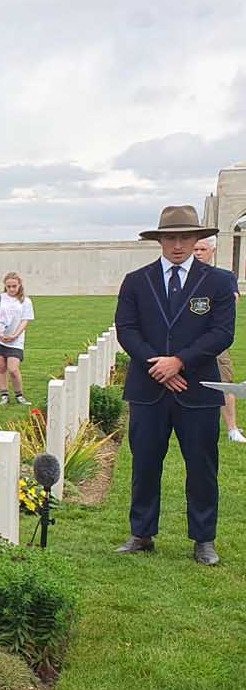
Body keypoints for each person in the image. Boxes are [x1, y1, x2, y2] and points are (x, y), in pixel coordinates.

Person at [115, 205, 236, 566]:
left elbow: (221, 333)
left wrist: (180, 361)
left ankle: (203, 539)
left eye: (186, 237)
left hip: (196, 389)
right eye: (171, 237)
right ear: (160, 240)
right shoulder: (137, 281)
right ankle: (142, 533)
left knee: (201, 467)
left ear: (199, 239)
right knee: (146, 463)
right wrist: (158, 365)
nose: (178, 245)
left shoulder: (217, 281)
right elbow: (127, 329)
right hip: (149, 389)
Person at [193, 237, 244, 443]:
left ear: (212, 251)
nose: (197, 253)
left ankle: (232, 429)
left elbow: (230, 303)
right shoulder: (184, 277)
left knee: (224, 382)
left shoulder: (224, 277)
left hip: (214, 340)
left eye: (202, 249)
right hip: (187, 339)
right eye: (195, 249)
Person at [0, 272, 33, 405]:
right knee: (1, 366)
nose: (11, 289)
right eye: (9, 286)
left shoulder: (26, 301)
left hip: (16, 340)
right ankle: (4, 394)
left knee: (13, 368)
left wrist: (15, 335)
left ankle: (19, 395)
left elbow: (25, 320)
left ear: (19, 285)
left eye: (14, 286)